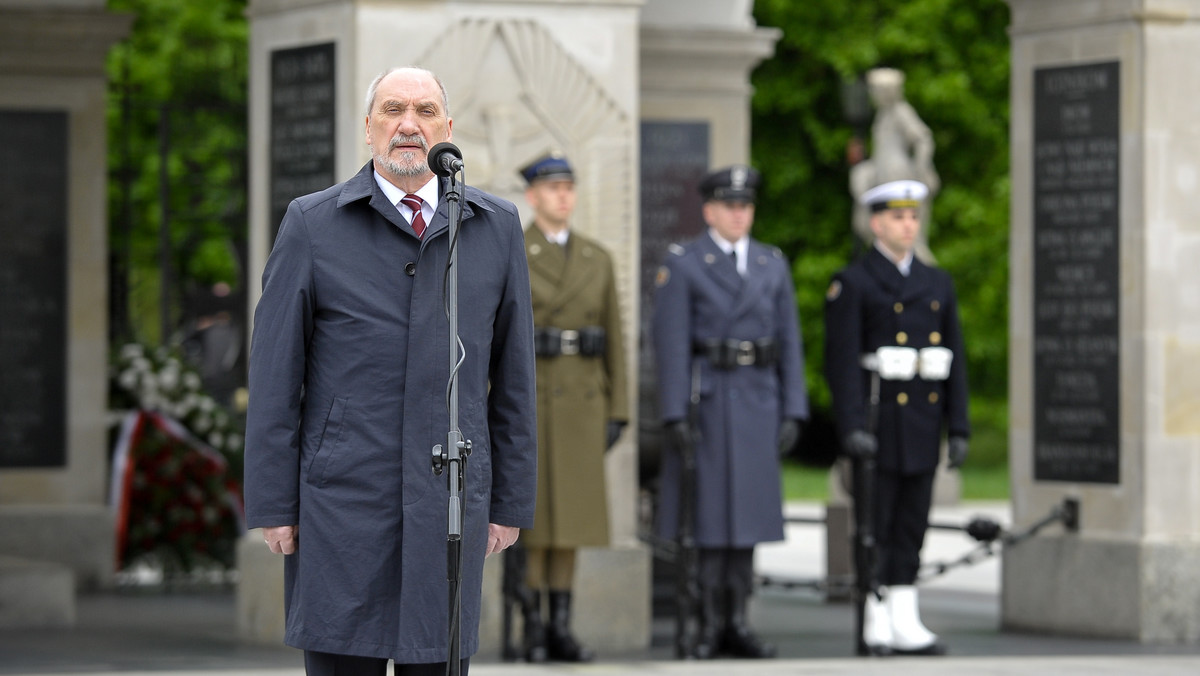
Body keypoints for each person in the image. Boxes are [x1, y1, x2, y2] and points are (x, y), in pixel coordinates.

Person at [243, 66, 538, 676]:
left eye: (426, 111)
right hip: (342, 502)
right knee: (342, 654)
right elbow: (275, 376)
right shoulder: (312, 223)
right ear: (369, 127)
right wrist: (273, 502)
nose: (410, 125)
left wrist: (508, 500)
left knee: (437, 653)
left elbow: (514, 379)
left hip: (449, 501)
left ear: (447, 129)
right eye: (394, 110)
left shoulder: (494, 226)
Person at [651, 164, 808, 659]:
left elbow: (789, 341)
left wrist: (794, 409)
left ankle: (738, 621)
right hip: (710, 401)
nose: (739, 215)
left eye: (746, 206)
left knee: (749, 523)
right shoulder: (685, 263)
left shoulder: (770, 264)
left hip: (758, 399)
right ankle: (706, 623)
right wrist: (674, 413)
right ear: (710, 210)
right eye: (730, 206)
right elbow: (671, 344)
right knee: (708, 522)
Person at [823, 179, 969, 656]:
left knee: (911, 525)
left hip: (923, 426)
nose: (908, 225)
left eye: (913, 217)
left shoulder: (937, 282)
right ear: (876, 223)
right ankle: (875, 618)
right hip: (878, 423)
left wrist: (959, 426)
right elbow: (841, 364)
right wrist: (850, 429)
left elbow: (955, 360)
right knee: (875, 526)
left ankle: (906, 616)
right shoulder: (855, 282)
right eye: (898, 217)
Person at [514, 152, 628, 663]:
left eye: (569, 188)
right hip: (533, 397)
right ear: (533, 196)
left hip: (582, 401)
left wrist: (618, 409)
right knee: (535, 522)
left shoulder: (595, 258)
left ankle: (562, 625)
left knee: (573, 523)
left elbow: (615, 341)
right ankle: (532, 625)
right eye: (552, 188)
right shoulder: (514, 249)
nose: (563, 196)